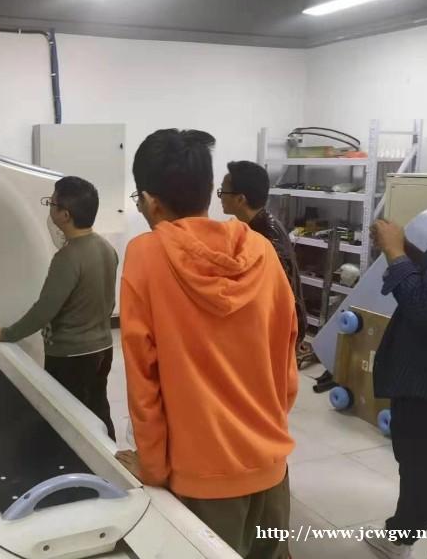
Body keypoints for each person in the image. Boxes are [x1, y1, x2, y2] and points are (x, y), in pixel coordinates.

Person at [115, 129, 298, 559]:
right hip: (270, 466)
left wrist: (152, 466)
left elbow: (143, 379)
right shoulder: (261, 250)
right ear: (208, 188)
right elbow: (286, 360)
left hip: (202, 478)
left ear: (151, 201)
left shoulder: (145, 257)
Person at [0, 176, 118, 441]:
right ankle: (112, 457)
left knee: (69, 420)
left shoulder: (67, 258)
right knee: (98, 408)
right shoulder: (106, 248)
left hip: (71, 356)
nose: (49, 208)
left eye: (52, 203)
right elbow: (108, 301)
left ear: (64, 215)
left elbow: (45, 310)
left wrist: (7, 333)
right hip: (103, 348)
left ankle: (74, 462)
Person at [364, 216, 427, 559]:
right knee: (417, 467)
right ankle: (402, 534)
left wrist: (396, 253)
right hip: (426, 385)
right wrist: (405, 250)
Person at [218, 161, 307, 351]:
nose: (220, 197)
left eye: (222, 192)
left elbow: (276, 297)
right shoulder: (257, 224)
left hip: (282, 328)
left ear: (240, 199)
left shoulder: (266, 237)